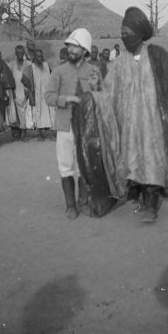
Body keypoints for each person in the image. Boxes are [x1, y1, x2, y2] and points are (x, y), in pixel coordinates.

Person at [86, 7, 168, 223]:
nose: (123, 35)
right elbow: (108, 92)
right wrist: (95, 92)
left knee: (153, 162)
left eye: (127, 31)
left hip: (153, 125)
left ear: (138, 32)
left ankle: (152, 207)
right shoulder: (119, 63)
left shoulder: (156, 55)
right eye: (122, 32)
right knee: (134, 164)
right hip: (129, 127)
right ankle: (143, 202)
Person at [45, 28, 96, 219]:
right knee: (66, 166)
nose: (71, 50)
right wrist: (66, 98)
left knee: (84, 166)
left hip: (86, 128)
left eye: (76, 47)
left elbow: (101, 97)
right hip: (65, 127)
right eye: (70, 46)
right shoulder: (58, 71)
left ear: (85, 50)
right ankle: (70, 205)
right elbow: (48, 97)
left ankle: (83, 203)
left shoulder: (93, 71)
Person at [23, 49, 55, 140]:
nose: (41, 58)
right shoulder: (30, 68)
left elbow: (52, 77)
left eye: (42, 56)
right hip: (37, 96)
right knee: (38, 114)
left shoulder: (46, 66)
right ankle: (40, 135)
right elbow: (25, 82)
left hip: (47, 95)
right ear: (34, 57)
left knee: (51, 113)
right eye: (39, 56)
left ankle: (52, 134)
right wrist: (29, 95)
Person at [7, 45, 32, 141]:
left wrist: (29, 91)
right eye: (18, 53)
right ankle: (18, 130)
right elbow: (9, 79)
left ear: (24, 53)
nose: (20, 54)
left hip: (26, 92)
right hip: (15, 91)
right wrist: (11, 91)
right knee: (16, 113)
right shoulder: (11, 64)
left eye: (22, 52)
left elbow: (31, 79)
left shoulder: (29, 64)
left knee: (25, 112)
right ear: (15, 53)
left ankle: (24, 132)